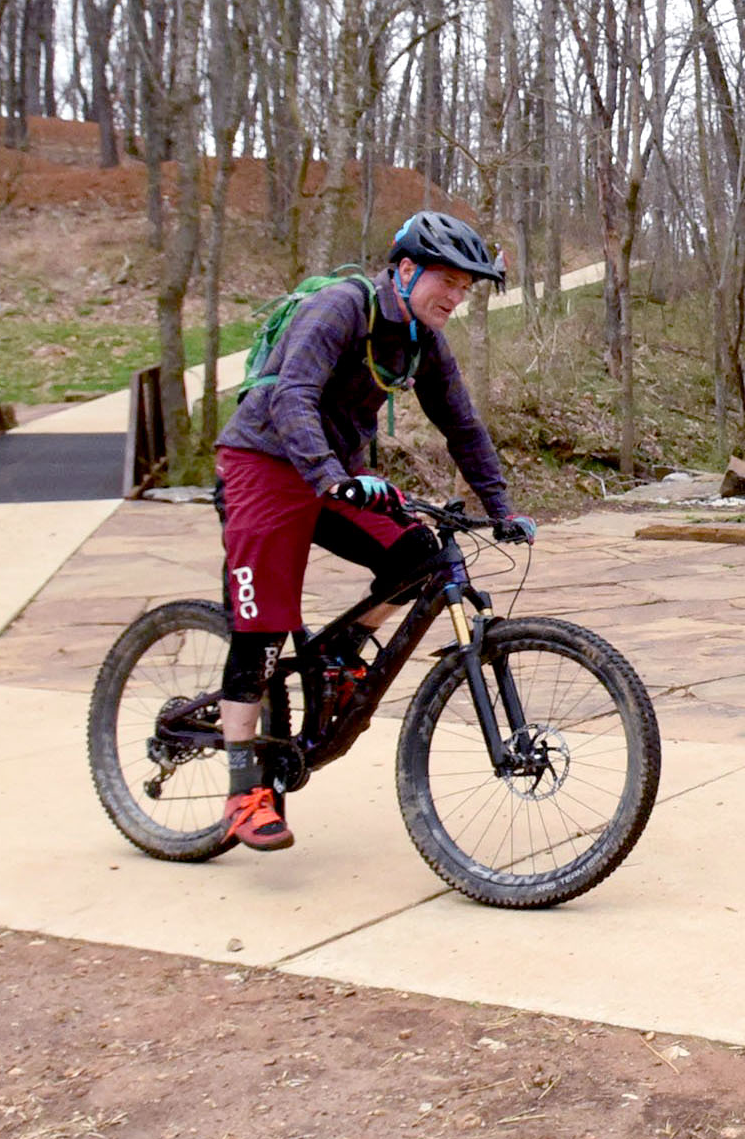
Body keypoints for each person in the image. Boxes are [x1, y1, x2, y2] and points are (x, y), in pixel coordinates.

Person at [210, 209, 536, 852]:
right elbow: (291, 396)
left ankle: (339, 649)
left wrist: (499, 507)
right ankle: (243, 786)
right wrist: (332, 477)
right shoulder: (339, 308)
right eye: (447, 279)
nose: (455, 296)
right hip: (265, 466)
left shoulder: (422, 341)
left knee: (419, 554)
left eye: (466, 288)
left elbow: (462, 427)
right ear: (406, 269)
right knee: (264, 624)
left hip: (337, 473)